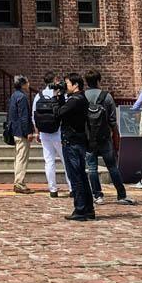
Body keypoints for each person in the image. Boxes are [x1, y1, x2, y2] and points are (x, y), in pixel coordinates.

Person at [84, 70, 136, 206]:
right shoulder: (106, 97)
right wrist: (116, 134)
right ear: (99, 81)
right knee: (112, 166)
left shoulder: (83, 97)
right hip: (104, 136)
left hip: (89, 137)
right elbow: (112, 119)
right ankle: (121, 194)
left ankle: (97, 195)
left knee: (92, 168)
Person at [53, 73, 96, 221]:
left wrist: (56, 98)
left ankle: (80, 209)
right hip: (79, 140)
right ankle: (89, 209)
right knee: (82, 176)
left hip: (72, 142)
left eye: (68, 84)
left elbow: (58, 113)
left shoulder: (75, 100)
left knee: (75, 176)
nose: (66, 87)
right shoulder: (81, 99)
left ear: (76, 85)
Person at [31, 72, 65, 198]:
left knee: (49, 161)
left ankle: (53, 189)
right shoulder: (59, 94)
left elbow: (34, 116)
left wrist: (37, 132)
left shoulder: (38, 96)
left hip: (44, 133)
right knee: (65, 160)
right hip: (58, 132)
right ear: (55, 80)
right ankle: (72, 187)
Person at [7, 75, 35, 194]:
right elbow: (24, 117)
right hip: (21, 131)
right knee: (22, 158)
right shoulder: (22, 97)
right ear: (23, 84)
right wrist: (28, 132)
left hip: (15, 130)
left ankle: (18, 181)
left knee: (18, 157)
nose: (28, 84)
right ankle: (19, 182)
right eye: (27, 82)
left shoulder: (14, 95)